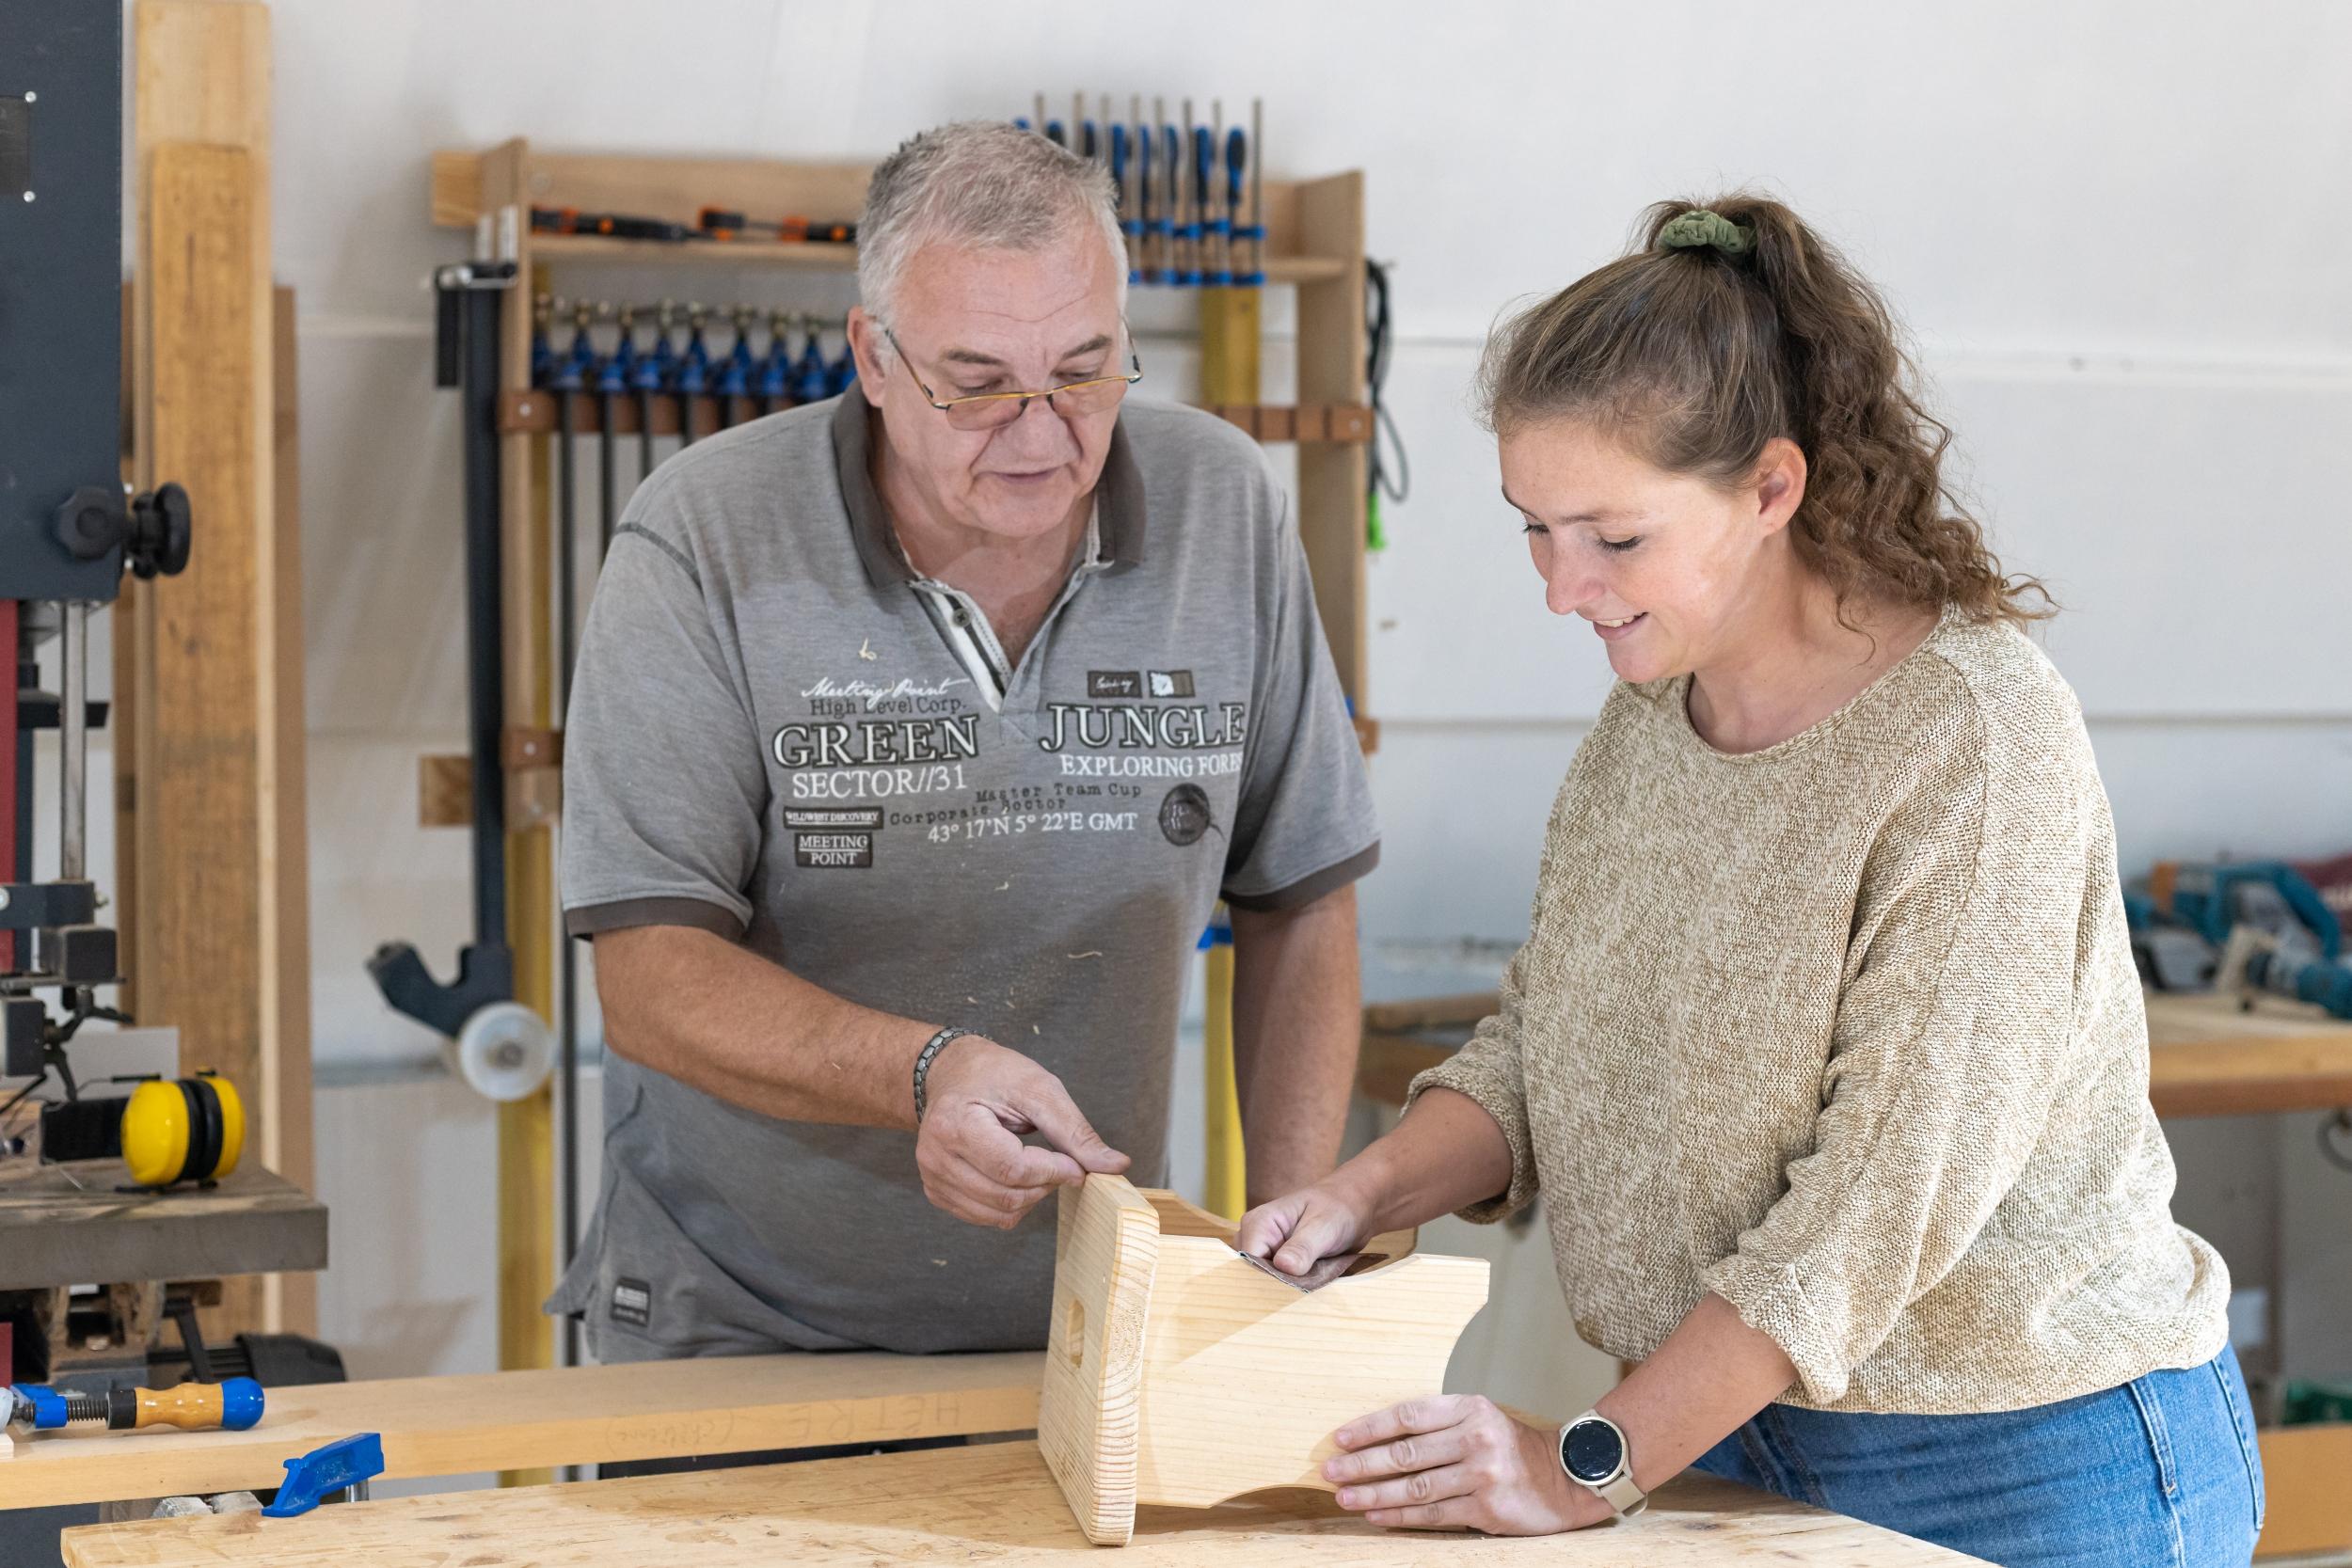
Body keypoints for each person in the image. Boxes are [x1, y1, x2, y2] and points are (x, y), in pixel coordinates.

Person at [1239, 197, 2261, 1567]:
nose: (1560, 587)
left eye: (1612, 537)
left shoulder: (1973, 740)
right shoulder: (1648, 721)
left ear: (1771, 489)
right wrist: (1361, 1195)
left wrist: (1581, 1465)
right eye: (1532, 529)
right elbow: (1544, 1049)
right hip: (1728, 1436)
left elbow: (1863, 1221)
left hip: (2026, 1465)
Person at [553, 121, 1377, 1368]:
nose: (1043, 435)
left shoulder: (1226, 512)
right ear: (873, 359)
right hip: (744, 1330)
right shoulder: (704, 540)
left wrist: (1289, 1243)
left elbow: (1302, 902)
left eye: (1087, 372)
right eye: (980, 382)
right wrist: (920, 1074)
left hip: (1092, 1323)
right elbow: (651, 978)